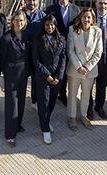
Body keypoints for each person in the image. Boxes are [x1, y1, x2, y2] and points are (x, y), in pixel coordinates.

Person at [31, 14, 66, 144]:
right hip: (42, 77)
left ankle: (46, 120)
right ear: (44, 26)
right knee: (43, 102)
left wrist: (58, 76)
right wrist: (47, 76)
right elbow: (36, 60)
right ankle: (45, 129)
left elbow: (63, 58)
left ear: (55, 25)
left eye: (52, 25)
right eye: (47, 25)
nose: (50, 27)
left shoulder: (61, 39)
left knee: (52, 101)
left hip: (56, 77)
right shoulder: (38, 39)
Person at [0, 10, 30, 147]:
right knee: (12, 104)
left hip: (23, 74)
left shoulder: (27, 36)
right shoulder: (6, 38)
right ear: (12, 22)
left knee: (21, 101)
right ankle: (10, 135)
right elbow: (1, 59)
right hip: (11, 75)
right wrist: (0, 75)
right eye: (16, 20)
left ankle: (18, 125)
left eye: (21, 20)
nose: (19, 23)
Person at [66, 8, 103, 130]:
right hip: (75, 69)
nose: (86, 19)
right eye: (84, 17)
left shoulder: (97, 31)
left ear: (92, 19)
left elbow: (98, 52)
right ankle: (71, 117)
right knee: (72, 94)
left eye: (89, 17)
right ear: (80, 18)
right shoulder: (72, 30)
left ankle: (83, 115)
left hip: (90, 70)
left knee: (86, 94)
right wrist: (79, 66)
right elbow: (70, 50)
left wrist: (87, 67)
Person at [45, 0, 80, 103]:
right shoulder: (50, 10)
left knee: (65, 71)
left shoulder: (76, 10)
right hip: (55, 46)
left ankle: (63, 94)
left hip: (70, 46)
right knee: (55, 69)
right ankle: (52, 94)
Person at [88, 0, 107, 120]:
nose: (103, 6)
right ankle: (88, 107)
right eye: (100, 3)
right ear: (96, 4)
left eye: (105, 3)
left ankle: (99, 107)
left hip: (106, 58)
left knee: (101, 84)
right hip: (90, 58)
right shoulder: (89, 17)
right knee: (88, 85)